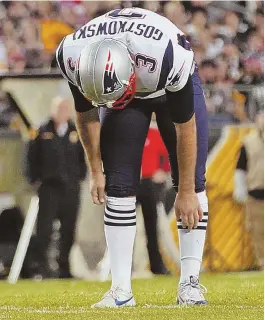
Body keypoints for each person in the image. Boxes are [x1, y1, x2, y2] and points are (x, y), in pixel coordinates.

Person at [56, 7, 209, 306]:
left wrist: (187, 190)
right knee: (119, 185)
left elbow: (185, 127)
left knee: (194, 183)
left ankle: (189, 284)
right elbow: (85, 113)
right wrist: (95, 170)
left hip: (167, 85)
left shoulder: (165, 55)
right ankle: (121, 290)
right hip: (127, 84)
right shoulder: (71, 54)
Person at [25, 97, 87, 279]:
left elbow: (82, 158)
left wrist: (80, 177)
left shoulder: (75, 131)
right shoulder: (40, 131)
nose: (62, 112)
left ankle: (64, 268)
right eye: (59, 108)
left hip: (71, 188)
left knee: (69, 230)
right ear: (52, 110)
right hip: (49, 188)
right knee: (44, 230)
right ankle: (42, 268)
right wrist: (35, 180)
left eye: (65, 109)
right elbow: (30, 158)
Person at [137, 123, 170, 275]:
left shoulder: (154, 133)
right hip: (130, 182)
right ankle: (116, 267)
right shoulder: (129, 130)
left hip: (149, 182)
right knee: (122, 226)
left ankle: (157, 266)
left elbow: (168, 154)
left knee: (152, 228)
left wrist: (163, 171)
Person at [234, 111, 264, 269]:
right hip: (256, 192)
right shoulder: (249, 142)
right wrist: (240, 190)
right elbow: (240, 168)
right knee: (258, 231)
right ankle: (262, 262)